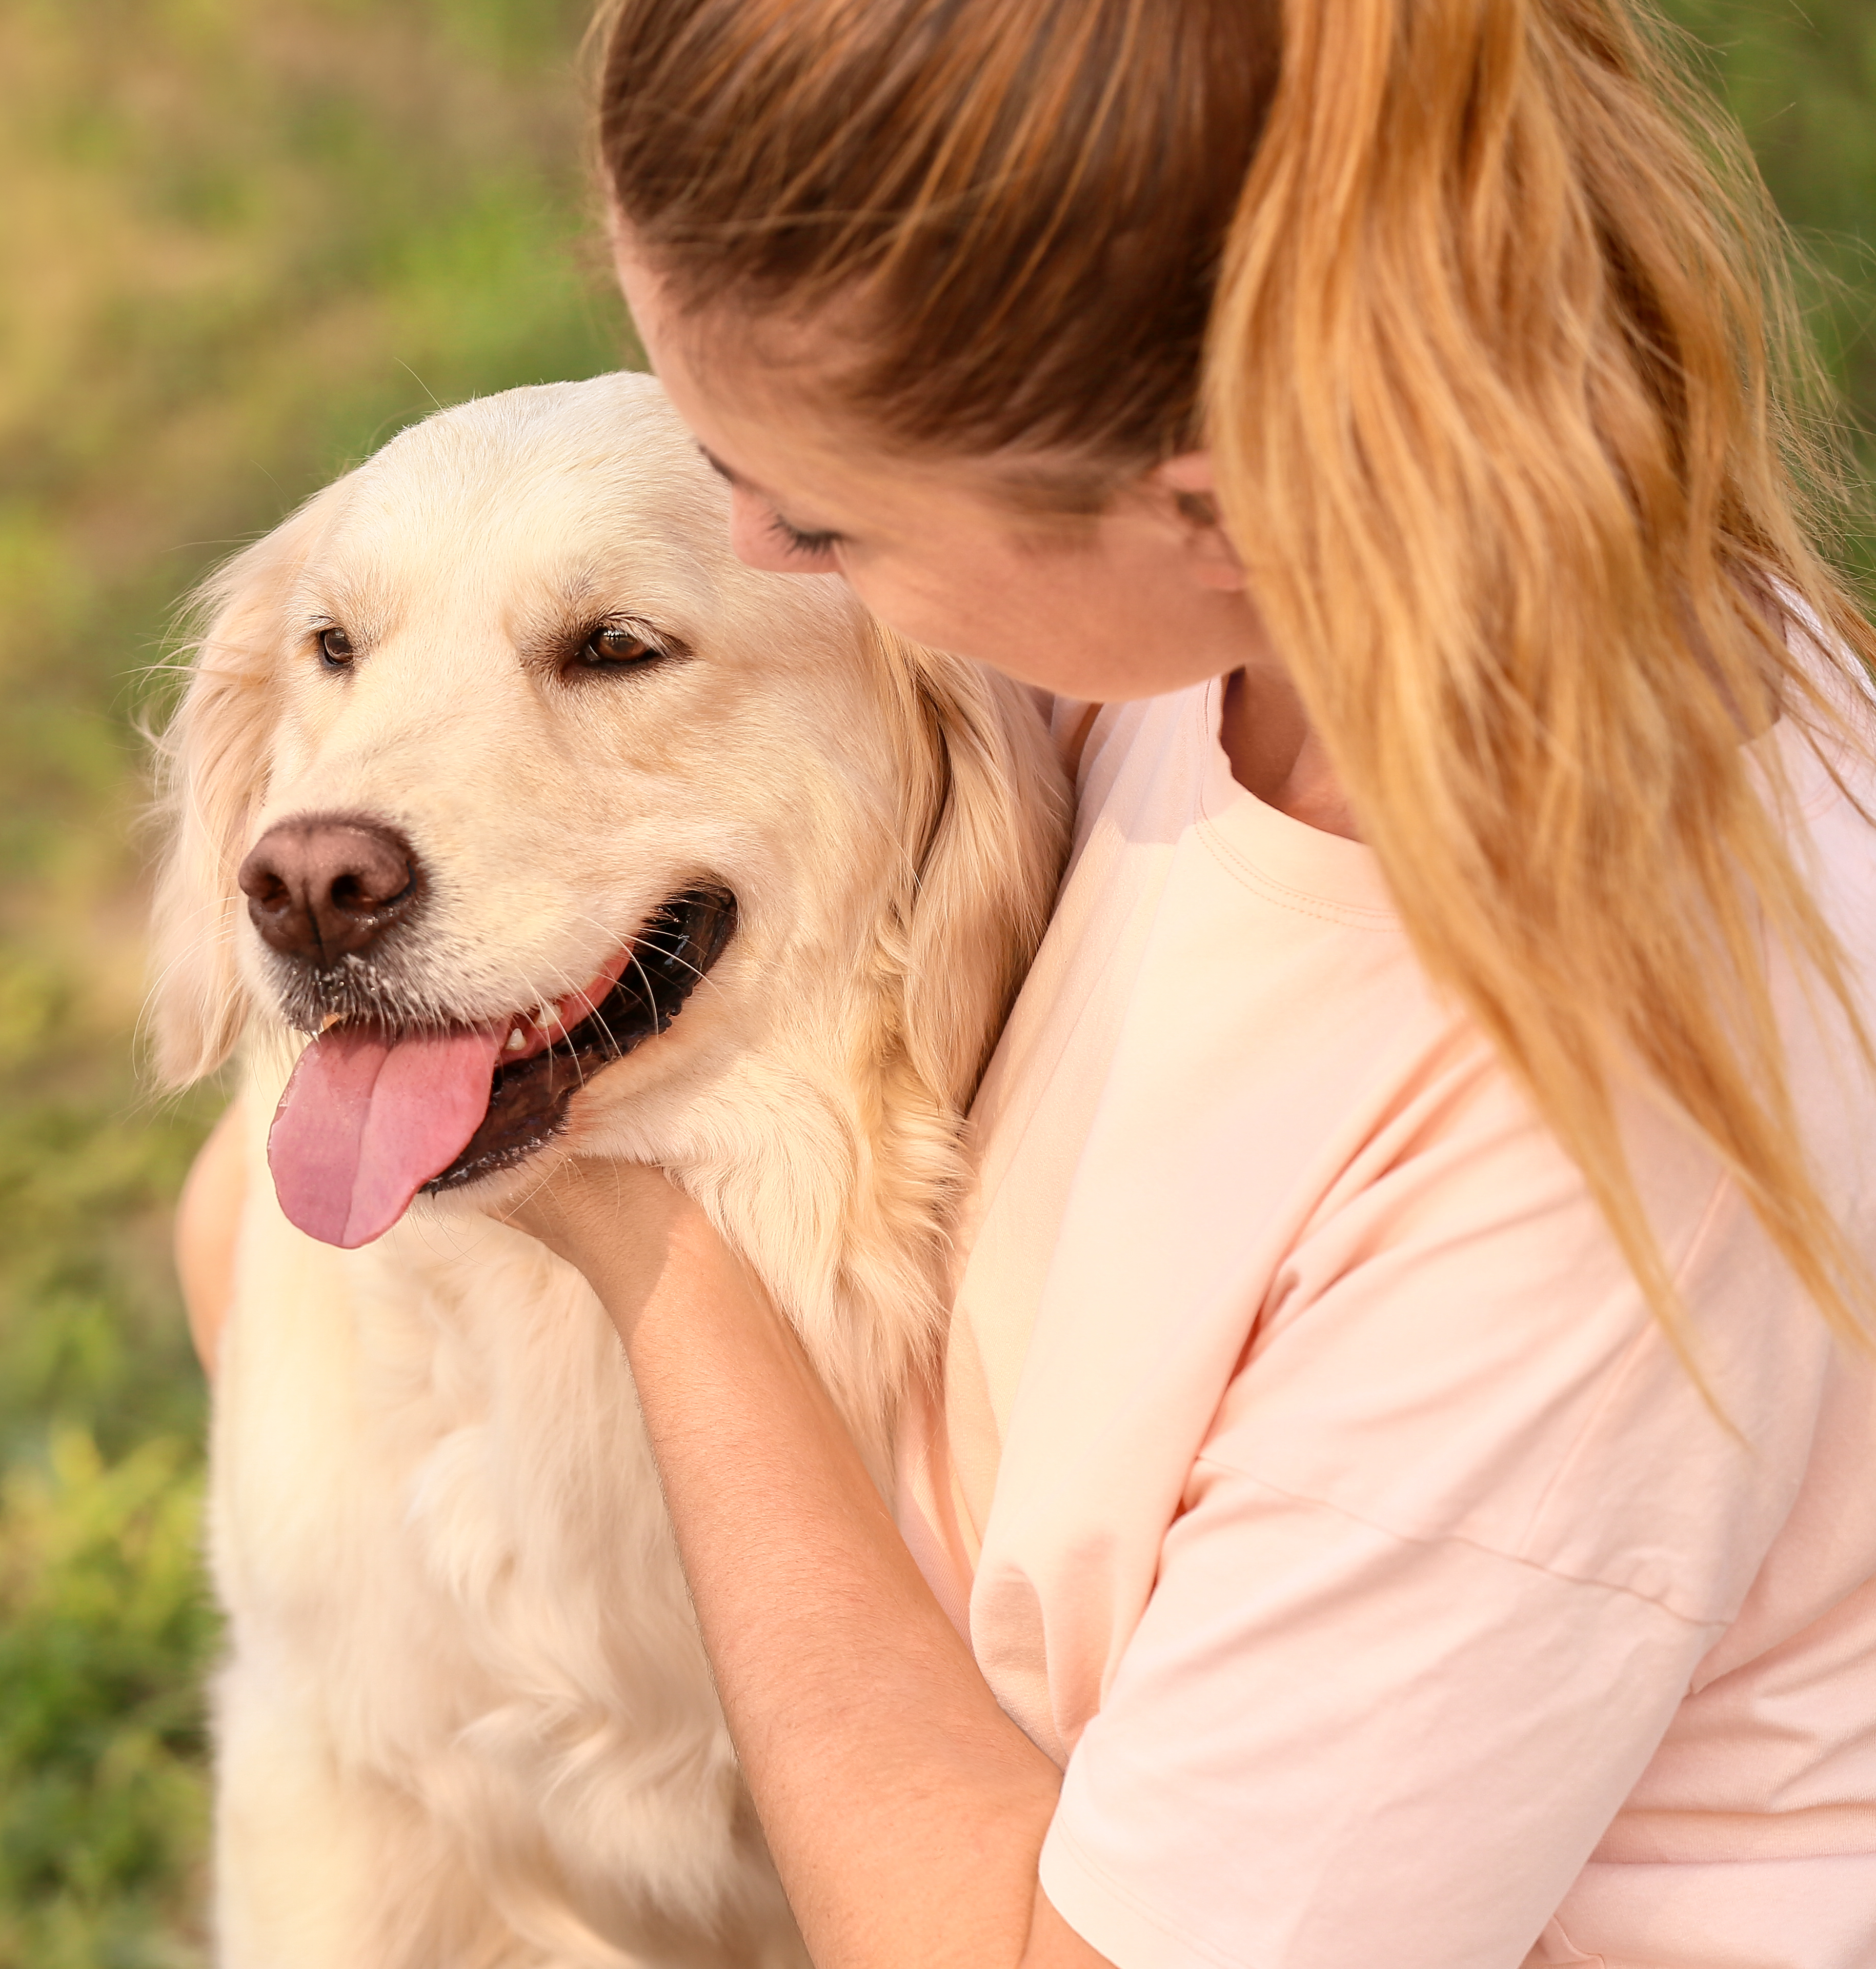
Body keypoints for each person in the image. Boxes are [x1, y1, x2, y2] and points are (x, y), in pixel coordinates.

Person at [175, 0, 1876, 1962]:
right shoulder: (1211, 649)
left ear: (1204, 498)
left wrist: (648, 1256)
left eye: (827, 513)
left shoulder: (1574, 1160)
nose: (753, 535)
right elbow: (241, 1232)